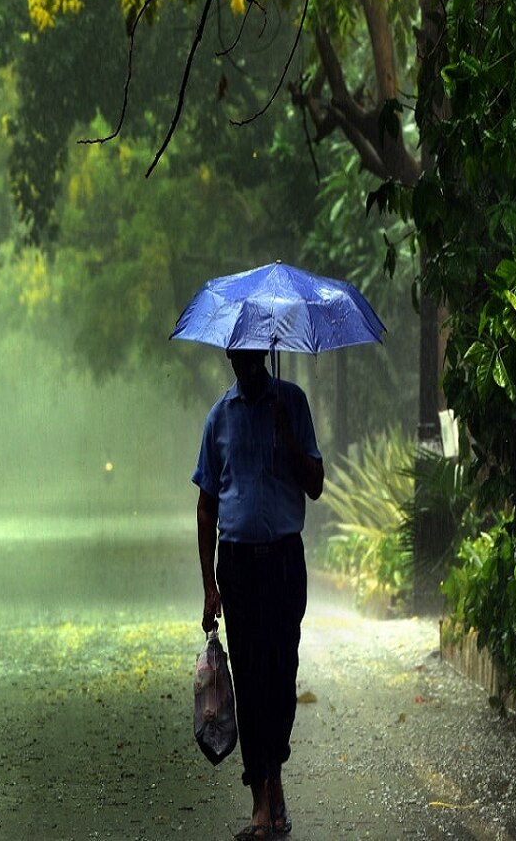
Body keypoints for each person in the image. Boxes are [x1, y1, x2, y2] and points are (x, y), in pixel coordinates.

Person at [192, 347, 324, 840]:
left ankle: (274, 775)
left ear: (262, 353)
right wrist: (210, 585)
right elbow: (207, 507)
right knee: (249, 684)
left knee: (281, 676)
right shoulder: (218, 418)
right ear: (230, 355)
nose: (247, 365)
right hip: (240, 567)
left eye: (253, 356)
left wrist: (287, 437)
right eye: (238, 358)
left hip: (286, 562)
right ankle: (260, 801)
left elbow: (316, 484)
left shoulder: (292, 402)